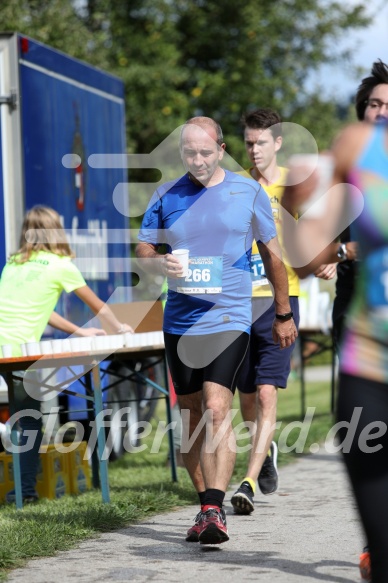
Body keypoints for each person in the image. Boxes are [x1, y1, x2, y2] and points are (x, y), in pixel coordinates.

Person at [136, 116, 297, 545]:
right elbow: (144, 249)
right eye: (190, 153)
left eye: (206, 152)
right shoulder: (167, 194)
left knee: (216, 406)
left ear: (221, 150)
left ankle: (212, 508)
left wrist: (283, 314)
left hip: (230, 316)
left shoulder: (247, 192)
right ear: (181, 153)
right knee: (190, 417)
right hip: (180, 320)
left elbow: (274, 255)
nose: (198, 159)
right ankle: (206, 506)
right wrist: (157, 263)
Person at [281, 119, 388, 583]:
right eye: (376, 105)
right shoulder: (360, 146)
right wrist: (292, 200)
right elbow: (305, 259)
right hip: (371, 362)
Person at [231, 108, 335, 514]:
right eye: (248, 143)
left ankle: (248, 481)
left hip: (280, 299)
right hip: (238, 301)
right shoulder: (233, 186)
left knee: (268, 388)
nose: (254, 150)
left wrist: (328, 257)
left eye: (260, 143)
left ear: (277, 143)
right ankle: (266, 444)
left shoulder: (296, 182)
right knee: (246, 397)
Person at [0, 205, 133, 503]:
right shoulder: (60, 265)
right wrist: (119, 329)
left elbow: (39, 310)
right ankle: (24, 495)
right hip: (21, 353)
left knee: (21, 418)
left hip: (3, 348)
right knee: (29, 421)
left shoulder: (13, 263)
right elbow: (98, 305)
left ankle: (20, 490)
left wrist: (79, 330)